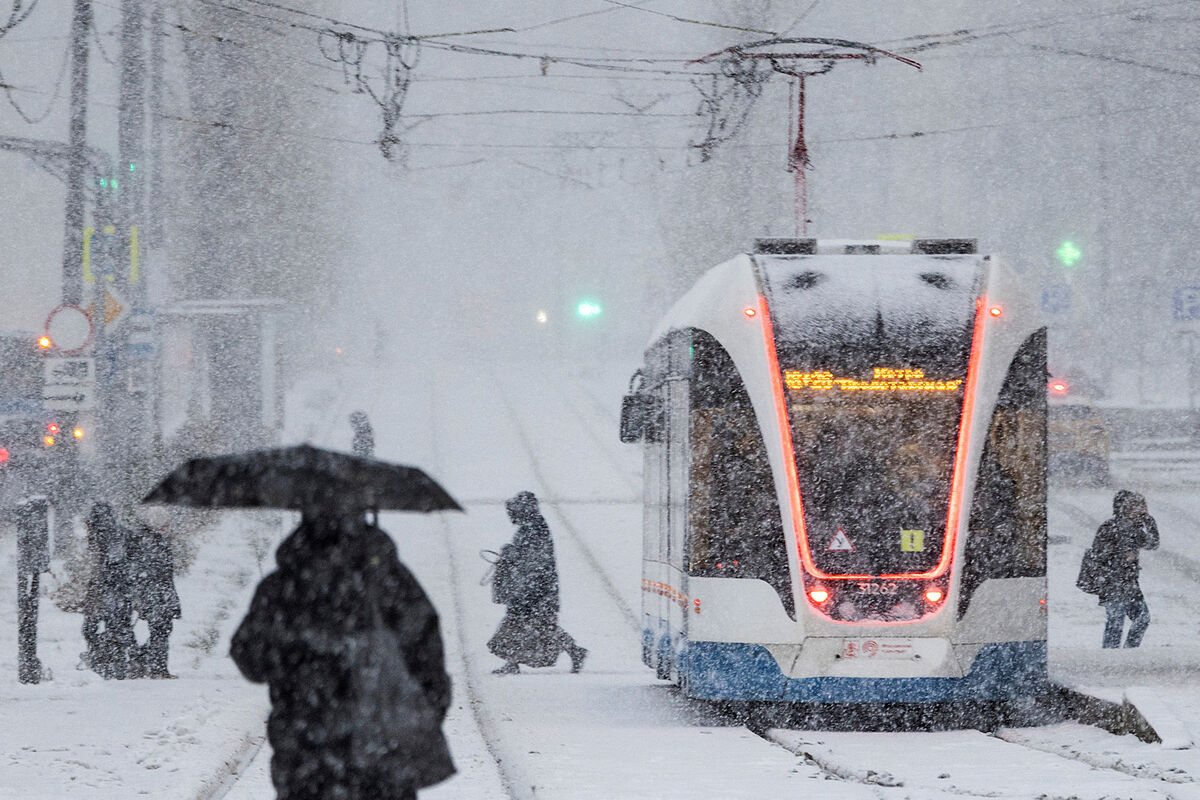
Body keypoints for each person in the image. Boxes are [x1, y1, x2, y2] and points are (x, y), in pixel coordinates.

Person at [231, 511, 454, 800]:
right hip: (384, 754)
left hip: (306, 755)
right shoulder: (394, 582)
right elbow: (429, 665)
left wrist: (294, 659)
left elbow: (251, 660)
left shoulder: (282, 585)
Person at [488, 491, 587, 675]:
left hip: (534, 589)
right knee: (530, 625)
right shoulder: (531, 527)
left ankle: (573, 651)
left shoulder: (534, 529)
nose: (511, 516)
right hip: (530, 587)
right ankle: (573, 651)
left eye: (513, 512)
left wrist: (512, 554)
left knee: (527, 625)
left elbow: (535, 560)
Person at [1089, 490, 1159, 648]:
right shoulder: (1108, 527)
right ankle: (1110, 657)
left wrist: (1149, 521)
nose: (1138, 510)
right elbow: (1097, 555)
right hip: (1112, 583)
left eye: (1140, 506)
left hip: (1129, 583)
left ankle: (1128, 651)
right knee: (1115, 623)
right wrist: (1121, 557)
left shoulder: (1135, 529)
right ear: (1124, 508)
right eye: (1134, 506)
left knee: (1142, 618)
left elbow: (1153, 543)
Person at [81, 502, 137, 679]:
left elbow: (112, 564)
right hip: (118, 590)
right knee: (118, 628)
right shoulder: (120, 533)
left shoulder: (107, 535)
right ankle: (115, 663)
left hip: (108, 589)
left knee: (99, 628)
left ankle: (106, 663)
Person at [129, 510, 182, 679]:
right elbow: (156, 574)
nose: (167, 527)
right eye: (165, 523)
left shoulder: (149, 541)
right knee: (160, 630)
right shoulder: (151, 542)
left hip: (157, 594)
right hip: (155, 595)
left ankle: (146, 662)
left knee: (161, 630)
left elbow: (165, 575)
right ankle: (155, 667)